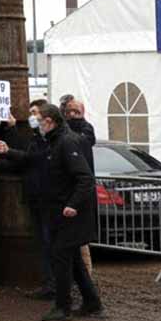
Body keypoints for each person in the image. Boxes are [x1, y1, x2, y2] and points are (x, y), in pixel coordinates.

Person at [0, 103, 104, 321]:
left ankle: (63, 307)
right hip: (59, 209)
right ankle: (91, 302)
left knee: (61, 256)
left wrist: (73, 204)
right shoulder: (54, 142)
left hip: (69, 212)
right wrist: (4, 157)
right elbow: (34, 160)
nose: (37, 124)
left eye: (39, 120)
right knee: (72, 258)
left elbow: (85, 178)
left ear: (49, 121)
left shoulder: (66, 142)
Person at [0, 99, 55, 299]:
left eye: (34, 113)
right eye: (30, 113)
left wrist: (9, 150)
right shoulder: (36, 137)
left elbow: (30, 158)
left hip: (47, 198)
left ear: (46, 117)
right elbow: (24, 159)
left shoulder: (50, 140)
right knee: (44, 243)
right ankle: (50, 285)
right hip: (36, 196)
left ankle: (56, 287)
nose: (31, 117)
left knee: (50, 242)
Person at [64, 99, 97, 277]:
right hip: (69, 192)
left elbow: (85, 141)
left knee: (81, 241)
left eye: (76, 111)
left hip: (80, 193)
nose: (72, 114)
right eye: (69, 111)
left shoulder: (86, 129)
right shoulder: (66, 130)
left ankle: (86, 277)